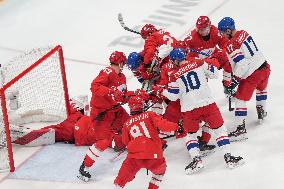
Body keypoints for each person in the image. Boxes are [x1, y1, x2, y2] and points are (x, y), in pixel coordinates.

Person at [152, 48, 244, 174]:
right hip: (208, 104)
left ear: (174, 61)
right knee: (219, 130)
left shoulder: (173, 74)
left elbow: (173, 96)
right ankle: (228, 157)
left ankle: (196, 160)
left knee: (190, 135)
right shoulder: (198, 62)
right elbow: (215, 73)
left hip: (189, 109)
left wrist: (160, 90)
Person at [77, 51, 131, 182]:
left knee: (131, 123)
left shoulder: (122, 77)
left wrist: (132, 95)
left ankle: (139, 147)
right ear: (120, 62)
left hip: (115, 110)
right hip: (102, 114)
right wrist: (110, 91)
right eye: (123, 63)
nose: (123, 65)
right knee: (103, 141)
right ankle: (84, 167)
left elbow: (121, 95)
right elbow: (94, 86)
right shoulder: (107, 72)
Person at [218, 17, 271, 141]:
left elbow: (243, 64)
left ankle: (240, 130)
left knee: (240, 100)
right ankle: (261, 109)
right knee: (261, 89)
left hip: (253, 73)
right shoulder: (243, 33)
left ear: (229, 30)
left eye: (223, 32)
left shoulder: (232, 45)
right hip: (265, 67)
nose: (222, 35)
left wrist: (235, 80)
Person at [113, 94, 181, 189]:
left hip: (134, 157)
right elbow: (163, 125)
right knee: (159, 173)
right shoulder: (149, 115)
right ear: (142, 105)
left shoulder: (126, 123)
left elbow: (125, 141)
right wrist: (177, 126)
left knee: (120, 180)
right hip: (153, 155)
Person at [182, 16, 232, 94]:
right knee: (202, 79)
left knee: (228, 62)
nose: (200, 31)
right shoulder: (192, 38)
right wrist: (183, 49)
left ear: (209, 26)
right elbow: (182, 51)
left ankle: (227, 86)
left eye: (202, 29)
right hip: (199, 62)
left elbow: (226, 44)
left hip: (213, 57)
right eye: (198, 29)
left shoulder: (215, 31)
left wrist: (222, 53)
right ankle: (201, 95)